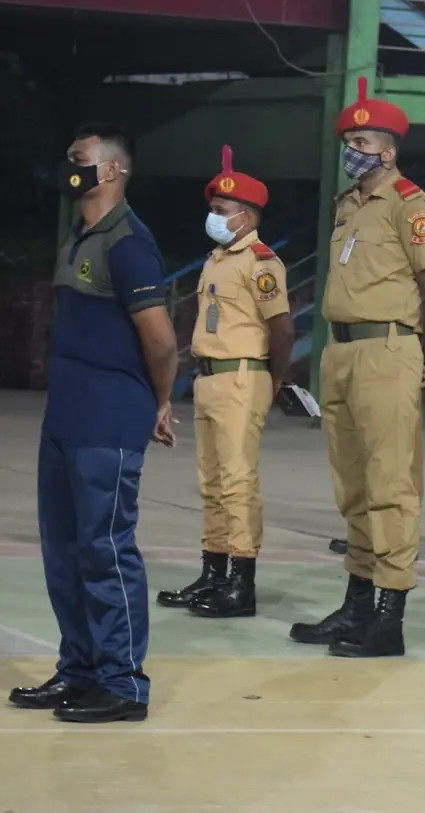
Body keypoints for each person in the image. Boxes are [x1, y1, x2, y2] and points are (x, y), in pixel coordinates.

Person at [9, 124, 176, 724]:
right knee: (63, 552)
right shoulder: (79, 234)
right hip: (66, 418)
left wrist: (160, 401)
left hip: (108, 418)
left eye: (78, 159)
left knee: (105, 550)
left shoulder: (128, 243)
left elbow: (161, 340)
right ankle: (79, 670)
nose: (69, 167)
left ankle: (123, 683)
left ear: (110, 171)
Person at [289, 77, 425, 659]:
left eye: (361, 141)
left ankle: (389, 616)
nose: (351, 150)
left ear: (388, 150)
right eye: (348, 141)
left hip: (388, 350)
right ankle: (357, 604)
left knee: (390, 485)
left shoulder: (410, 206)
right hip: (341, 351)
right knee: (353, 485)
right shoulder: (349, 205)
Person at [157, 146, 293, 620]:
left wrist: (273, 381)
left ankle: (242, 582)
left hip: (242, 376)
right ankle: (213, 573)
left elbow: (282, 329)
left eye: (222, 210)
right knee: (212, 482)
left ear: (246, 216)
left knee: (237, 482)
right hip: (210, 377)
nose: (213, 217)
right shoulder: (217, 259)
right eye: (213, 209)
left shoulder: (261, 262)